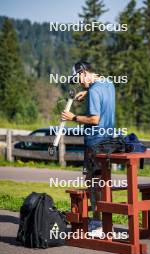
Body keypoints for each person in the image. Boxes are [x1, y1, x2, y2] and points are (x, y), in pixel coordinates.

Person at [61, 61, 115, 231]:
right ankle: (107, 222)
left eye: (78, 79)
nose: (79, 83)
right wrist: (87, 91)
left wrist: (73, 117)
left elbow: (94, 119)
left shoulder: (94, 91)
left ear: (83, 72)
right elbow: (100, 89)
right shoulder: (109, 83)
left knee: (93, 183)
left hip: (94, 143)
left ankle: (98, 223)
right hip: (109, 142)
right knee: (104, 182)